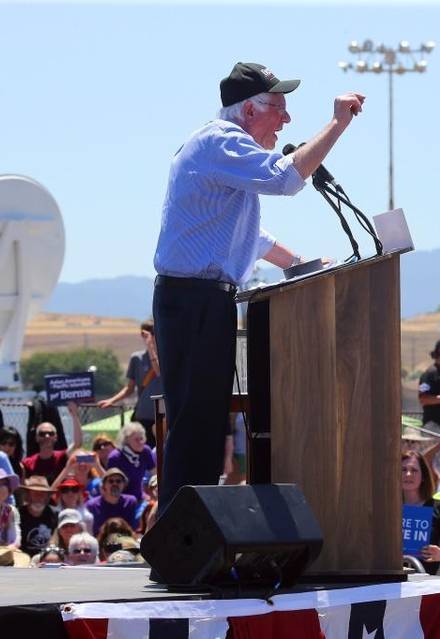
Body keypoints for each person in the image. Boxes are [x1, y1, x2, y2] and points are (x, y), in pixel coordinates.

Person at [152, 61, 364, 514]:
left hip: (200, 300)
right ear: (249, 110)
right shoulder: (221, 141)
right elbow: (286, 179)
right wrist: (337, 124)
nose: (286, 120)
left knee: (205, 426)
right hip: (193, 301)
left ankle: (187, 530)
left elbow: (251, 237)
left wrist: (299, 265)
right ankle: (177, 533)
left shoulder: (223, 150)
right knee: (196, 426)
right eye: (278, 109)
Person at [98, 319, 164, 447]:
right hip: (143, 414)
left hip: (161, 415)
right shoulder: (137, 358)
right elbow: (130, 388)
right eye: (148, 333)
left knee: (161, 451)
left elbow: (159, 372)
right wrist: (112, 400)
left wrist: (151, 347)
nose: (152, 336)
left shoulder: (165, 356)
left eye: (154, 332)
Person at [400, 451, 440, 574]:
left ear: (423, 476)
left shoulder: (439, 507)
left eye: (414, 470)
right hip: (393, 581)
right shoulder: (388, 508)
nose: (408, 474)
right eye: (403, 470)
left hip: (427, 581)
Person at [21, 403, 84, 485]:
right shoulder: (27, 462)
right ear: (36, 438)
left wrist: (74, 415)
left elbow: (78, 443)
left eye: (50, 433)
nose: (47, 436)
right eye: (42, 434)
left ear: (56, 437)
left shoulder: (62, 457)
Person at [106, 422, 156, 503]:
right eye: (136, 440)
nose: (140, 442)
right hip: (120, 500)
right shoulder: (115, 457)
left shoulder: (145, 451)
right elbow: (110, 485)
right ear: (126, 440)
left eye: (142, 438)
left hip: (140, 497)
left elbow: (155, 473)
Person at [86, 467, 138, 533]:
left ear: (124, 485)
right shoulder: (92, 505)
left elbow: (133, 528)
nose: (115, 484)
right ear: (104, 485)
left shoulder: (131, 502)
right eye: (111, 481)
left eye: (118, 481)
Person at [16, 476, 58, 558]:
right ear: (28, 495)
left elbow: (56, 540)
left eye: (42, 494)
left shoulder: (54, 514)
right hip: (22, 560)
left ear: (47, 497)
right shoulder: (17, 514)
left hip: (47, 559)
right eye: (35, 493)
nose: (39, 497)